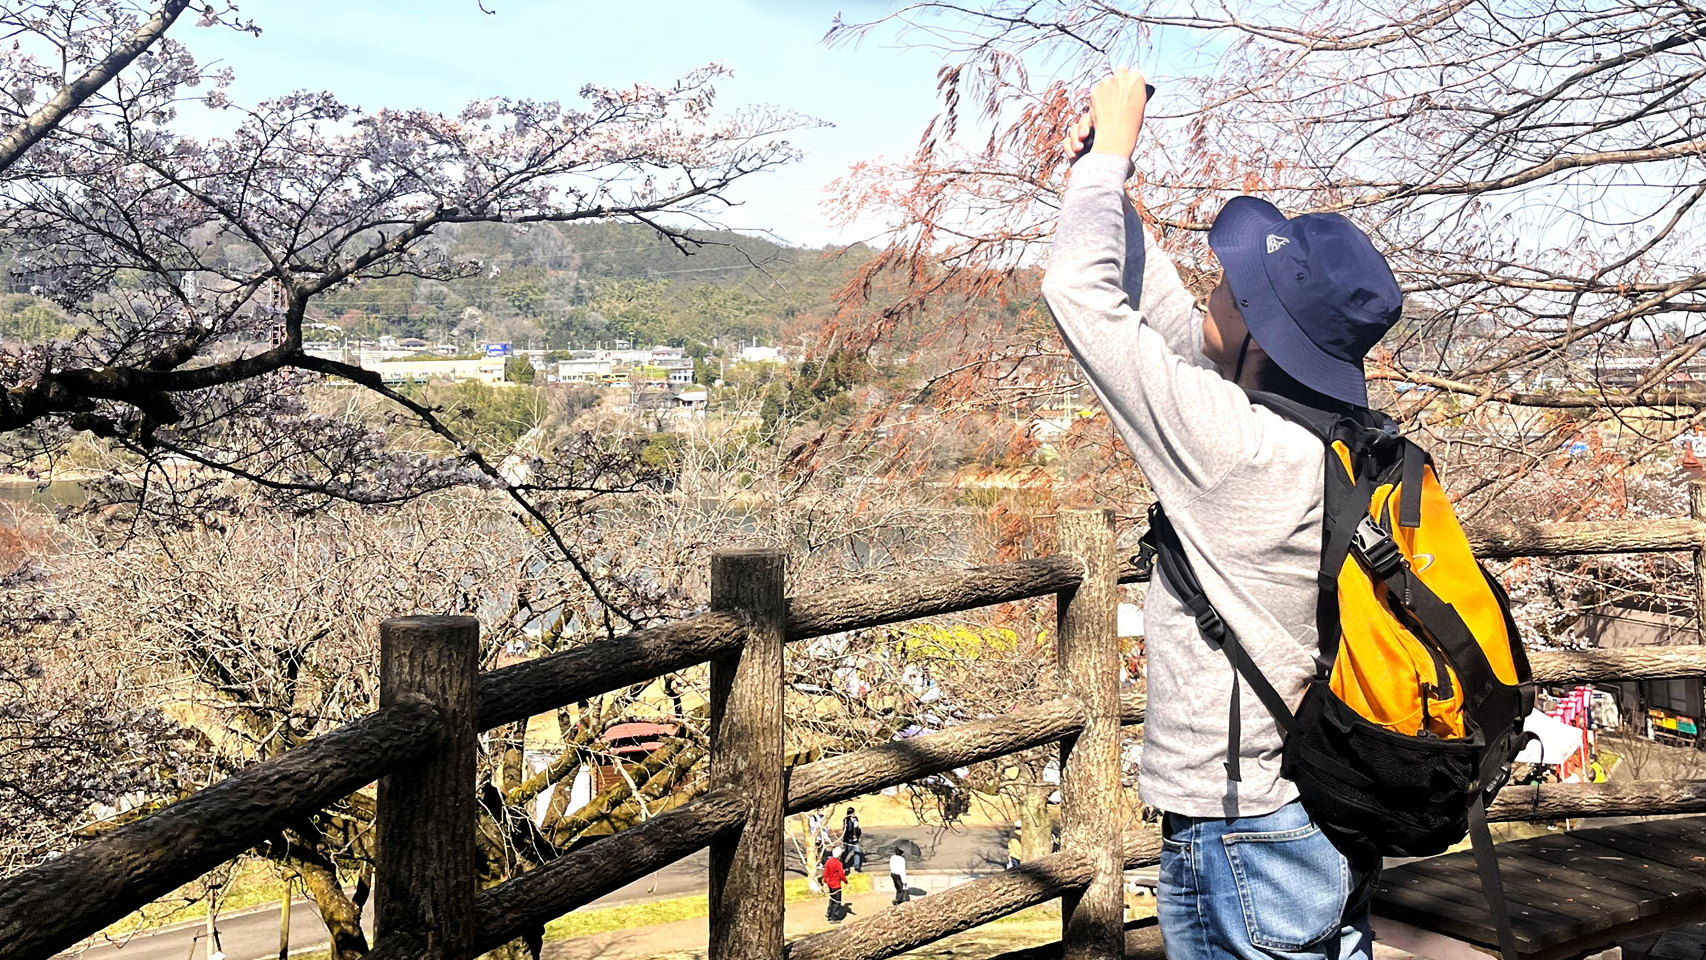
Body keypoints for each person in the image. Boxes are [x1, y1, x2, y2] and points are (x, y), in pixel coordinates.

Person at [1044, 67, 1406, 960]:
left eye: (1232, 287)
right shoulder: (1333, 439)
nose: (1213, 288)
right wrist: (1101, 183)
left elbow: (1082, 300)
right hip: (1322, 809)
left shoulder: (1236, 449)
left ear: (1260, 333)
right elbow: (1168, 325)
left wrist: (1117, 155)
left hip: (1239, 830)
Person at [823, 847, 850, 922]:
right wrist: (846, 883)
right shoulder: (838, 863)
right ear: (839, 855)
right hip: (836, 885)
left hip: (830, 884)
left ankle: (829, 914)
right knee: (837, 902)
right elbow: (842, 875)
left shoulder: (828, 862)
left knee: (832, 900)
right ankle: (834, 918)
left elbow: (825, 873)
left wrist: (825, 882)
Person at [841, 806, 863, 871]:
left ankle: (857, 867)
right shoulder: (846, 820)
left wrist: (857, 834)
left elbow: (857, 828)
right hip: (848, 840)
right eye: (852, 813)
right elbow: (845, 830)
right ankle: (842, 862)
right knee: (846, 852)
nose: (853, 814)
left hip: (855, 839)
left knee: (857, 851)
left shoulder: (855, 818)